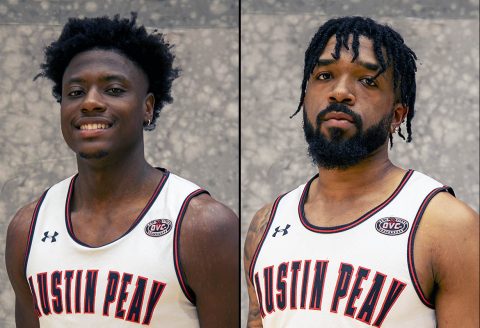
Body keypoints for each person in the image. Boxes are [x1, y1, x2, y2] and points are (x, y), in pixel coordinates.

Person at [6, 14, 238, 327]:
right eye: (75, 92)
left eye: (113, 90)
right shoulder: (27, 229)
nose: (90, 102)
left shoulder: (202, 226)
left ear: (147, 107)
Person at [244, 16, 478, 327]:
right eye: (325, 75)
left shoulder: (446, 224)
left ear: (397, 115)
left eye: (368, 80)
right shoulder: (266, 222)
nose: (340, 92)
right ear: (305, 97)